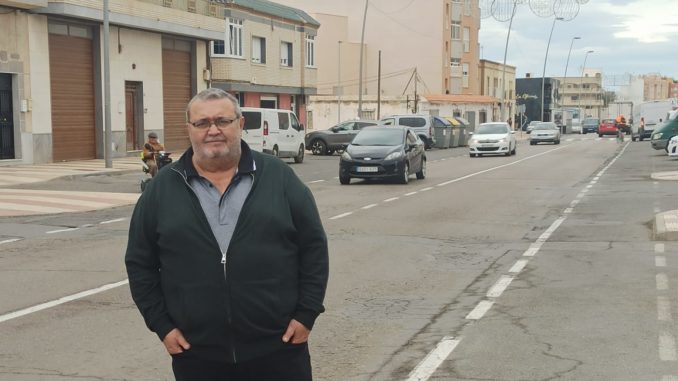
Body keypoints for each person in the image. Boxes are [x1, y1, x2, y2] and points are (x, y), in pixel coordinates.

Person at [125, 88, 329, 381]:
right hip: (197, 356)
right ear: (189, 129)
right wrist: (162, 325)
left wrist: (306, 314)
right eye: (202, 123)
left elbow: (314, 248)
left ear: (240, 124)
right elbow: (139, 263)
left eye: (223, 121)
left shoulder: (278, 177)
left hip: (280, 349)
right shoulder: (162, 190)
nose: (213, 130)